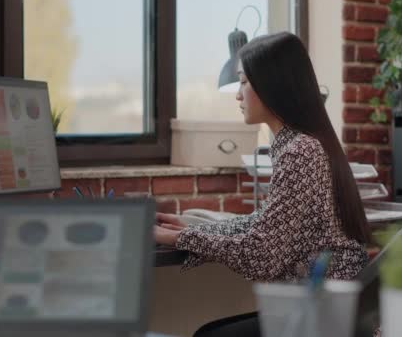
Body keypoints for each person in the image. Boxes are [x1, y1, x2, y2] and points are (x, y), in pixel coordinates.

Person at [154, 31, 371, 337]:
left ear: (272, 85)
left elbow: (264, 254)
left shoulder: (301, 150)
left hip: (322, 314)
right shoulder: (300, 143)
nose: (237, 94)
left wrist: (179, 239)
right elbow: (263, 225)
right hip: (321, 306)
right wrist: (187, 229)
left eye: (243, 82)